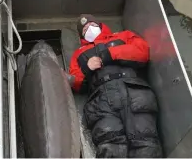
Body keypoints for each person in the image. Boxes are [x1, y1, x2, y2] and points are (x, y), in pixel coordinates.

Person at [68, 14, 163, 158]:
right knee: (111, 147)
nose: (89, 29)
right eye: (85, 29)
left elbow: (142, 51)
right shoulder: (79, 54)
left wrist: (111, 54)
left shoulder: (124, 36)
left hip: (133, 91)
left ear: (100, 26)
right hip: (101, 100)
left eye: (92, 25)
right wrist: (87, 68)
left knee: (145, 143)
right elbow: (74, 82)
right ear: (82, 36)